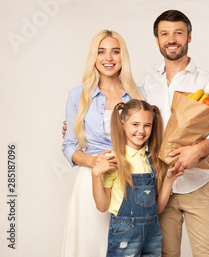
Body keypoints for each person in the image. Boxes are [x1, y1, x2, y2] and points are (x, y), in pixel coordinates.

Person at [143, 10, 209, 257]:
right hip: (159, 186)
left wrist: (198, 150)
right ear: (156, 40)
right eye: (164, 34)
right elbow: (131, 124)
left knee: (208, 254)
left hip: (198, 185)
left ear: (189, 37)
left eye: (178, 33)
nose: (172, 39)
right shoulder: (147, 84)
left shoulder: (208, 82)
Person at [61, 29, 145, 257]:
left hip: (128, 182)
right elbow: (68, 146)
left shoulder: (138, 94)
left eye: (115, 51)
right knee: (90, 246)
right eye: (101, 52)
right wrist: (94, 161)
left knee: (125, 248)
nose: (108, 58)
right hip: (89, 182)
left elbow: (146, 140)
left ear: (123, 56)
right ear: (94, 57)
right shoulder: (78, 95)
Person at [91, 99, 183, 256]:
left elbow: (157, 209)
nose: (141, 130)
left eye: (147, 125)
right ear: (122, 124)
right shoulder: (114, 160)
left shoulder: (153, 161)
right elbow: (102, 206)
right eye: (135, 124)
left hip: (152, 233)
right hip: (125, 232)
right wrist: (96, 174)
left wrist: (168, 180)